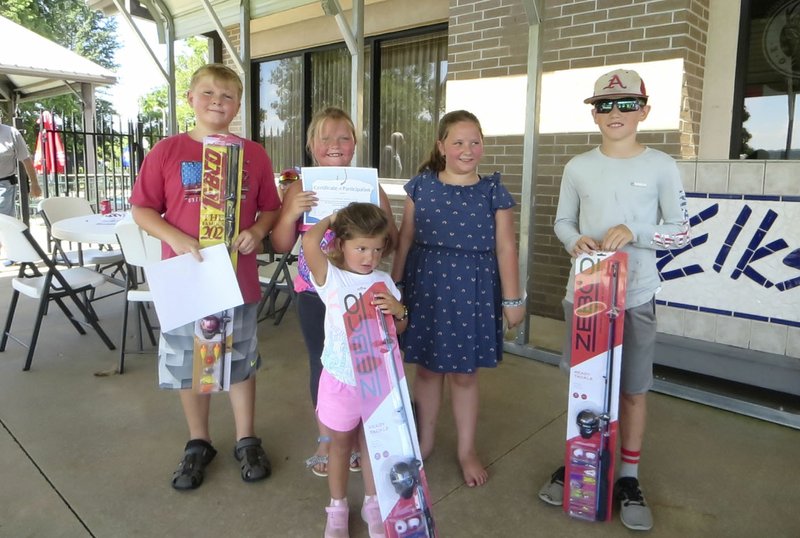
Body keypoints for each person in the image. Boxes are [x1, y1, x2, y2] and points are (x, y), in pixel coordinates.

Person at [537, 68, 690, 531]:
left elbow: (680, 232)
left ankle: (627, 475)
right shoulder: (577, 166)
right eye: (605, 105)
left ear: (644, 110)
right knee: (586, 387)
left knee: (633, 390)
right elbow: (562, 221)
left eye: (626, 105)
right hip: (585, 296)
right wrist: (574, 241)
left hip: (636, 296)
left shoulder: (661, 165)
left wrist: (638, 232)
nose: (615, 113)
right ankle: (583, 458)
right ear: (594, 113)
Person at [130, 63, 281, 490]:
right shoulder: (167, 151)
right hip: (187, 277)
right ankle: (198, 442)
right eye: (209, 93)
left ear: (238, 104)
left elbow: (270, 206)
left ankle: (246, 438)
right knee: (187, 364)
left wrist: (257, 230)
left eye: (228, 95)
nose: (218, 101)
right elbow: (142, 207)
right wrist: (175, 238)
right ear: (191, 99)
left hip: (238, 277)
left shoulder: (253, 154)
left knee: (240, 361)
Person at [390, 110, 525, 488]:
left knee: (465, 376)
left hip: (474, 292)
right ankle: (426, 440)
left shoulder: (494, 190)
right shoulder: (420, 186)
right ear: (442, 146)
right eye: (459, 142)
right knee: (429, 370)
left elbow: (506, 246)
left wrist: (513, 300)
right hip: (426, 287)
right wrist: (395, 285)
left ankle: (466, 449)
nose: (467, 149)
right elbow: (405, 238)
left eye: (475, 141)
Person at [270, 107, 398, 478]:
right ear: (312, 145)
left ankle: (359, 437)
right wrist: (290, 211)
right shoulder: (300, 186)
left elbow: (387, 239)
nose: (335, 145)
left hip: (359, 292)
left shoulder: (368, 186)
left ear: (355, 144)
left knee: (363, 362)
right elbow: (280, 244)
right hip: (314, 292)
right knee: (323, 363)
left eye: (343, 137)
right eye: (325, 138)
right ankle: (329, 438)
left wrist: (372, 227)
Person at [303, 202, 406, 538]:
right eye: (361, 248)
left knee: (374, 445)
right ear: (340, 244)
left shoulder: (384, 281)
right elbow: (308, 244)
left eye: (377, 249)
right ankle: (337, 509)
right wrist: (332, 219)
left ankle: (374, 504)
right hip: (340, 380)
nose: (369, 257)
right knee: (340, 446)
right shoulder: (330, 278)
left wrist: (399, 310)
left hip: (378, 381)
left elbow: (399, 329)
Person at [0, 119, 42, 264]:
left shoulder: (11, 132)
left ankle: (13, 252)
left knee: (4, 221)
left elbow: (26, 159)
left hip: (4, 184)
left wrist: (34, 183)